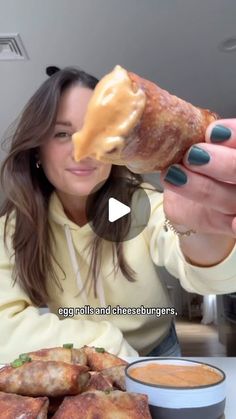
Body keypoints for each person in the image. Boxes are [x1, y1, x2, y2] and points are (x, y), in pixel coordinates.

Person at [1, 67, 236, 363]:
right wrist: (104, 342)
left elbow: (214, 276)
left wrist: (205, 229)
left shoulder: (138, 205)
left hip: (156, 352)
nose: (81, 151)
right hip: (81, 358)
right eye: (62, 134)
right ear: (37, 151)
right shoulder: (14, 226)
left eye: (95, 131)